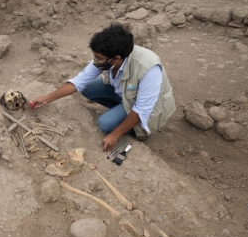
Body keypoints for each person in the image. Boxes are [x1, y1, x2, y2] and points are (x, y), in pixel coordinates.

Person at [31, 24, 176, 153]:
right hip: (126, 95)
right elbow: (78, 82)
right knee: (87, 87)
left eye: (99, 57)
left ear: (117, 58)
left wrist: (114, 135)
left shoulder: (148, 68)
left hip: (147, 109)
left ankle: (138, 130)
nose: (96, 61)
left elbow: (142, 109)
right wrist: (46, 98)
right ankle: (120, 112)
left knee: (105, 124)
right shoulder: (107, 59)